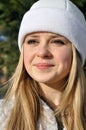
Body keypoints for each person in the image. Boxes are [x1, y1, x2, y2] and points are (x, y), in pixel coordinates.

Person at [0, 0, 86, 130]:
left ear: (76, 53)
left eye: (57, 41)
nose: (42, 52)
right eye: (32, 41)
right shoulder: (3, 116)